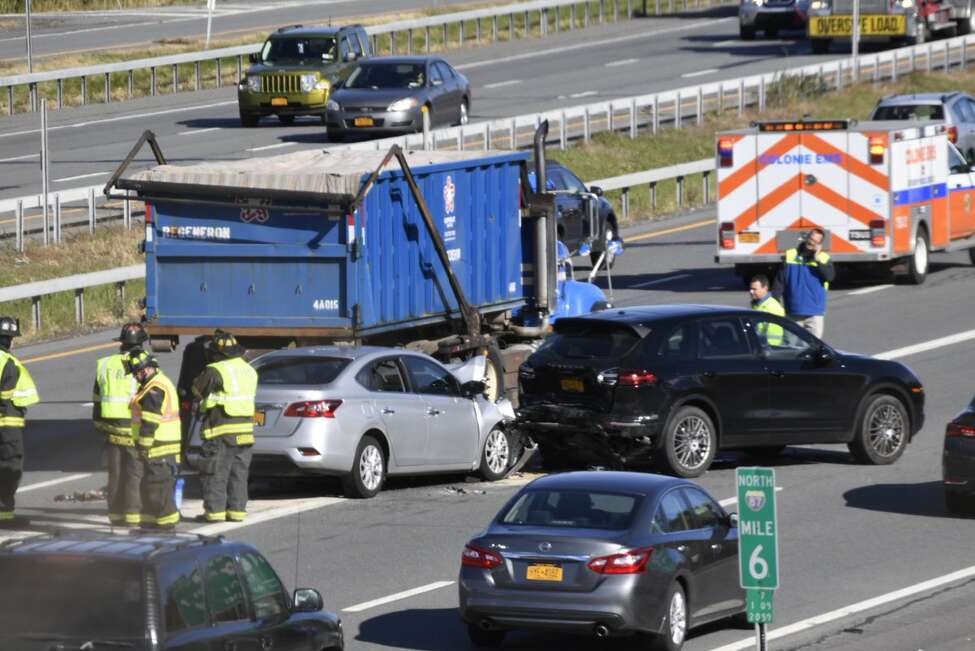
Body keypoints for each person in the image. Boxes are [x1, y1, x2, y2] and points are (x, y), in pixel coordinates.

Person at [192, 331, 257, 523]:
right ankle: (236, 511)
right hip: (245, 431)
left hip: (221, 430)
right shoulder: (249, 369)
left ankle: (215, 513)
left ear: (217, 353)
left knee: (215, 472)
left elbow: (197, 390)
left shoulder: (215, 369)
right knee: (239, 473)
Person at [92, 322, 146, 526]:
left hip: (112, 428)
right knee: (134, 473)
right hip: (133, 427)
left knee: (115, 474)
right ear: (141, 343)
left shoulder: (105, 364)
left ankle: (115, 515)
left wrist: (99, 424)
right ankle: (132, 515)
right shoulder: (144, 363)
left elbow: (97, 398)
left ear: (122, 342)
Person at [126, 350, 181, 530]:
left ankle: (167, 525)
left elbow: (150, 421)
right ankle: (149, 522)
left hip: (158, 445)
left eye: (137, 372)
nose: (135, 377)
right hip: (157, 445)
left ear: (147, 369)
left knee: (159, 487)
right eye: (135, 373)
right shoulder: (154, 385)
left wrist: (143, 445)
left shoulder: (155, 388)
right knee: (149, 486)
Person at [0, 317, 38, 528]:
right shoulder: (8, 362)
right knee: (9, 469)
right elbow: (5, 397)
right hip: (6, 426)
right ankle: (5, 516)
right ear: (9, 340)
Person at [774, 228, 834, 339]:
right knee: (791, 346)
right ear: (806, 238)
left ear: (819, 244)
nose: (811, 242)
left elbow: (829, 277)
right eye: (811, 239)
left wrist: (817, 260)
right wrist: (775, 301)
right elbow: (780, 281)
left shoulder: (823, 259)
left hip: (814, 313)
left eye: (815, 241)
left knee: (814, 347)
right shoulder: (790, 255)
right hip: (793, 311)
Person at [749, 274, 785, 346]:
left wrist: (770, 348)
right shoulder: (756, 304)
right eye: (750, 289)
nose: (751, 292)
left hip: (769, 348)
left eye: (754, 289)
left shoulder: (773, 308)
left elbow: (773, 337)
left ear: (765, 288)